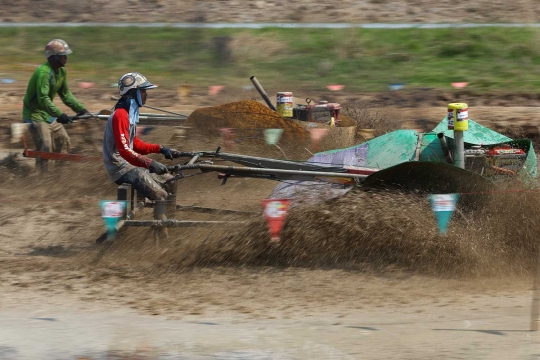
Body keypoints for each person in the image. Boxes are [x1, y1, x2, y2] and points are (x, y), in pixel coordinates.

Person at [103, 72, 182, 227]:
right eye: (143, 91)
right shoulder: (120, 115)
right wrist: (150, 163)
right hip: (119, 166)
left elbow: (135, 144)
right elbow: (125, 150)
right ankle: (161, 231)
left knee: (170, 181)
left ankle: (168, 219)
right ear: (133, 93)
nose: (146, 95)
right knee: (160, 194)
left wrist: (161, 149)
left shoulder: (130, 112)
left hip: (129, 163)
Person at [22, 39, 90, 170]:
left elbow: (65, 94)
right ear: (53, 57)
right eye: (63, 55)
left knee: (63, 140)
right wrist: (60, 114)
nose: (66, 58)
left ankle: (59, 175)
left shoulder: (62, 72)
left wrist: (81, 109)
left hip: (47, 114)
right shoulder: (44, 73)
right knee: (46, 146)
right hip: (34, 114)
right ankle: (43, 180)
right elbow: (43, 99)